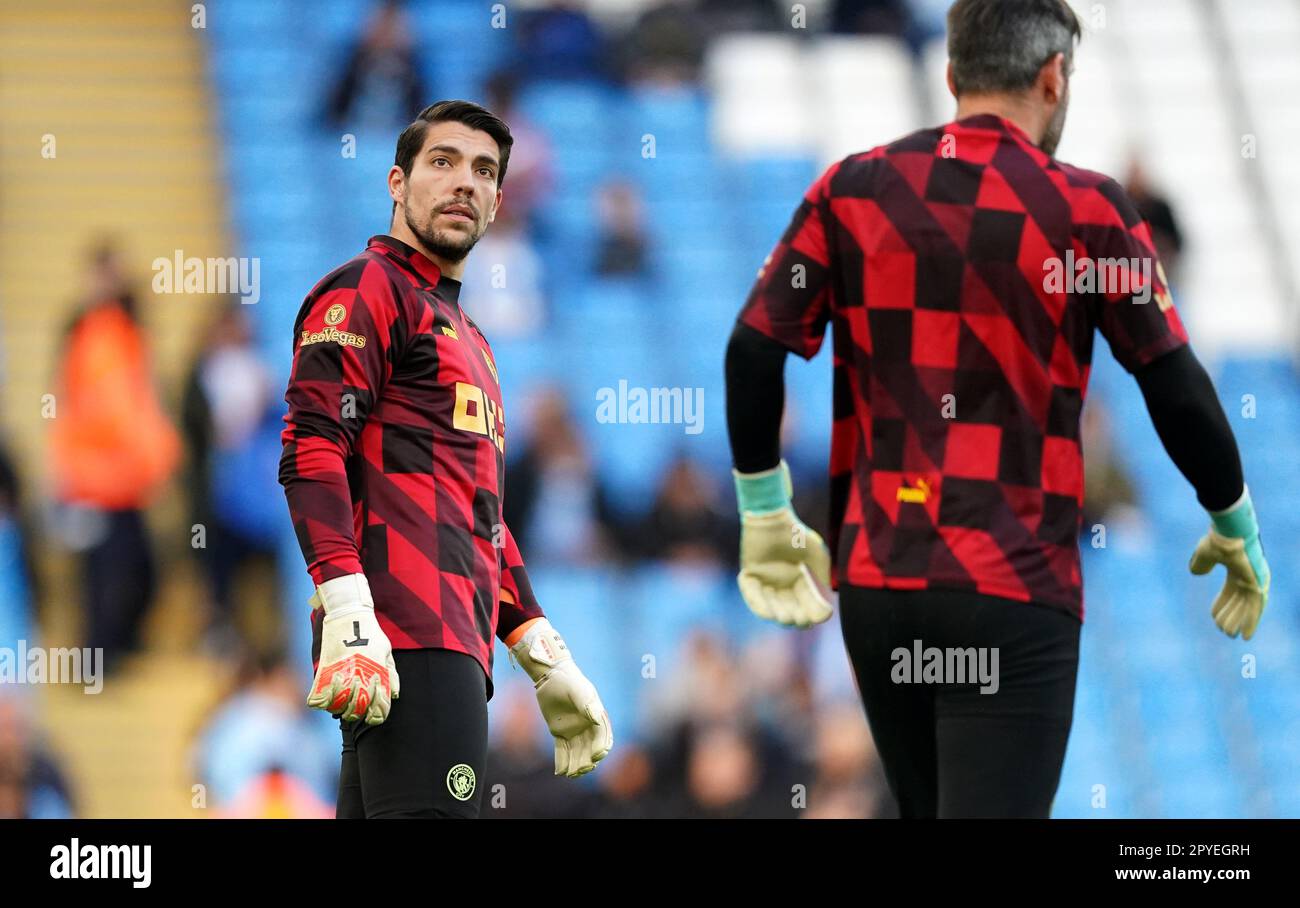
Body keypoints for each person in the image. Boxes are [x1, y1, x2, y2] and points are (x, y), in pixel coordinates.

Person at [723, 0, 1269, 818]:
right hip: (1010, 587)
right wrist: (1233, 521)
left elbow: (754, 349)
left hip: (880, 586)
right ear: (1054, 79)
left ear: (952, 76)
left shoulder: (853, 189)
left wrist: (764, 511)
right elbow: (1173, 383)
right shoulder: (1089, 213)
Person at [279, 100, 612, 819]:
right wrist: (345, 596)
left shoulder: (473, 338)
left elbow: (481, 516)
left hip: (440, 641)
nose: (466, 182)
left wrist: (541, 650)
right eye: (444, 161)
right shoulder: (368, 287)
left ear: (498, 201)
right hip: (405, 634)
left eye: (485, 171)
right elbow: (312, 442)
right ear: (397, 183)